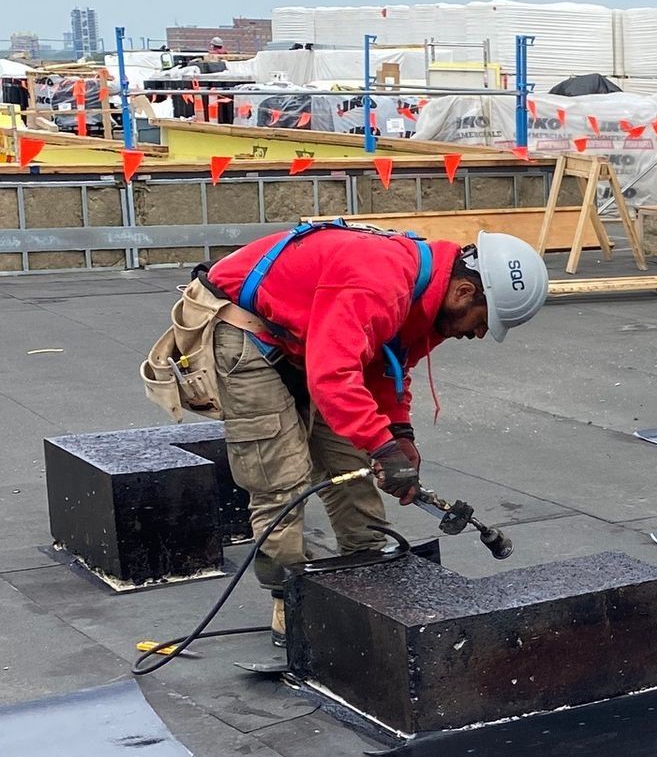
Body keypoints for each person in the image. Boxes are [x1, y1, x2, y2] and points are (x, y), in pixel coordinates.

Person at [199, 226, 549, 641]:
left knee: (350, 462)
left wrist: (398, 435)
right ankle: (290, 605)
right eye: (483, 322)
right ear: (464, 292)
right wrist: (382, 446)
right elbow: (333, 376)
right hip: (248, 332)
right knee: (280, 479)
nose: (477, 334)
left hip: (311, 341)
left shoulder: (426, 300)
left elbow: (386, 367)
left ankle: (367, 574)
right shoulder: (379, 282)